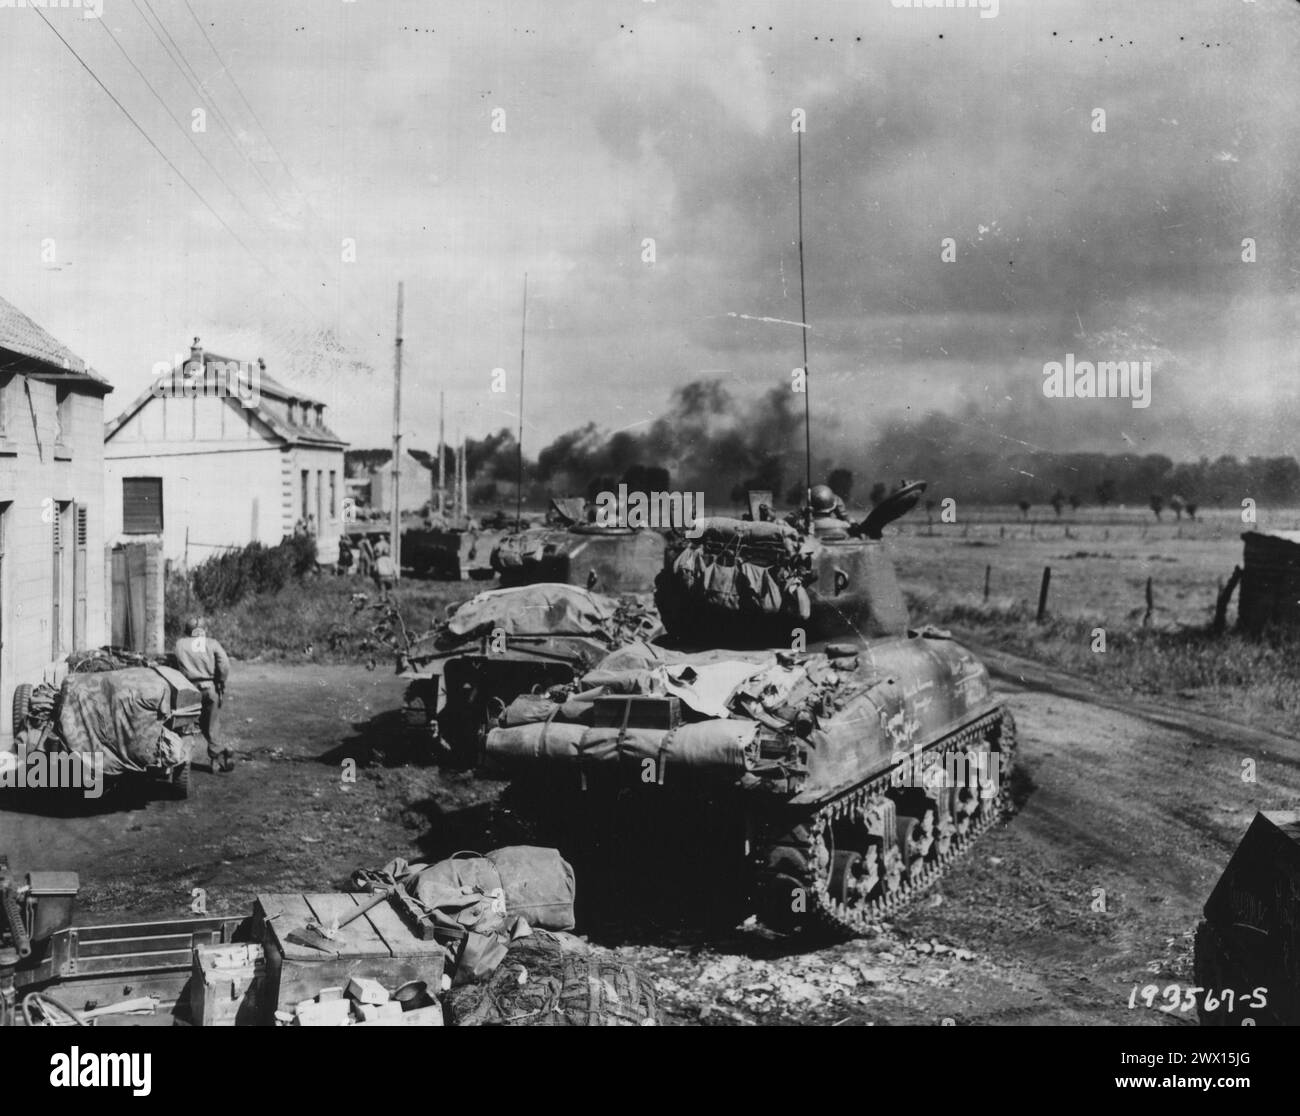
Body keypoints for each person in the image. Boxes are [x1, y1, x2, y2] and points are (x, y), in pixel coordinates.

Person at [173, 617, 233, 773]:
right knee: (212, 725)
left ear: (187, 630)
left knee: (184, 725)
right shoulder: (212, 643)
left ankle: (181, 758)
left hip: (187, 689)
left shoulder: (180, 644)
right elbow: (224, 664)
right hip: (209, 687)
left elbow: (174, 664)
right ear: (204, 630)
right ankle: (215, 759)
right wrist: (220, 682)